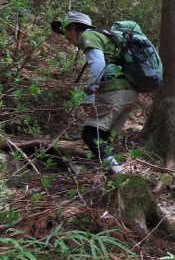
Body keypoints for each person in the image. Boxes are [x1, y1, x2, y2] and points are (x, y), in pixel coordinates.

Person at [51, 11, 139, 175]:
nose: (65, 37)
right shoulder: (106, 38)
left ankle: (117, 173)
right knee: (104, 137)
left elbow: (98, 65)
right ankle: (114, 180)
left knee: (89, 134)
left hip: (115, 90)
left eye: (66, 31)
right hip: (131, 92)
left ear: (74, 27)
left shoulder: (89, 36)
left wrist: (90, 94)